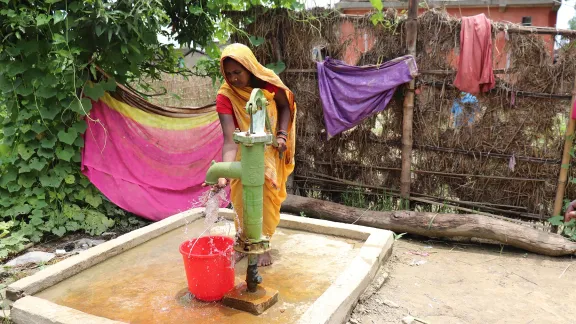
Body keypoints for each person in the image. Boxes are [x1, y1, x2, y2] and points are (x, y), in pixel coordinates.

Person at [209, 43, 296, 267]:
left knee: (266, 198)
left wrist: (282, 136)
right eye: (228, 74)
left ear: (249, 67)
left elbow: (285, 107)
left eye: (237, 72)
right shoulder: (226, 95)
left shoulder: (267, 82)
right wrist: (224, 174)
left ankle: (262, 242)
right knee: (240, 198)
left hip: (270, 148)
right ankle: (242, 241)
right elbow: (229, 140)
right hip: (244, 150)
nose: (233, 78)